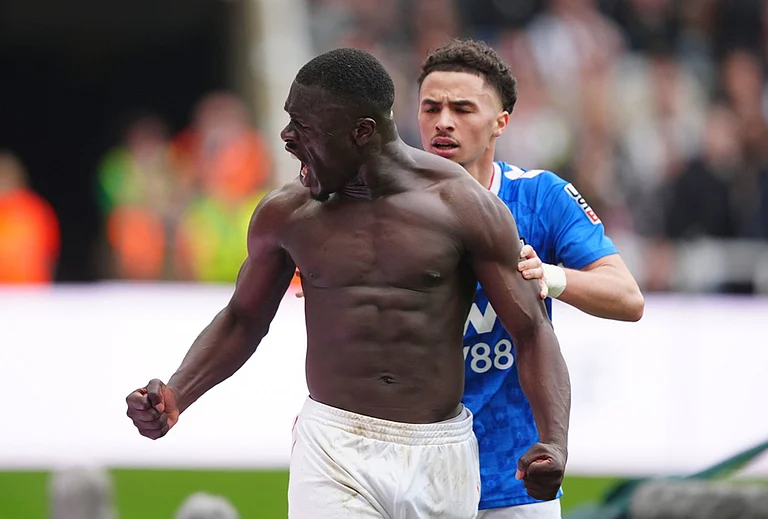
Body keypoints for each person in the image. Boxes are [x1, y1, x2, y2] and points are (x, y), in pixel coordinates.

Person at [126, 48, 571, 518]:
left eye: (305, 128)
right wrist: (177, 394)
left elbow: (532, 331)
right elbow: (243, 318)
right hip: (333, 446)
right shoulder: (287, 214)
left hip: (441, 453)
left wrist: (554, 442)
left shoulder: (461, 206)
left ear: (363, 132)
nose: (286, 138)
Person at [417, 39, 645, 518]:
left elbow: (627, 297)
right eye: (431, 107)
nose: (443, 121)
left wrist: (551, 278)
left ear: (501, 122)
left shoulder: (541, 196)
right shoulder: (387, 206)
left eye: (462, 108)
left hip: (516, 473)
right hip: (411, 468)